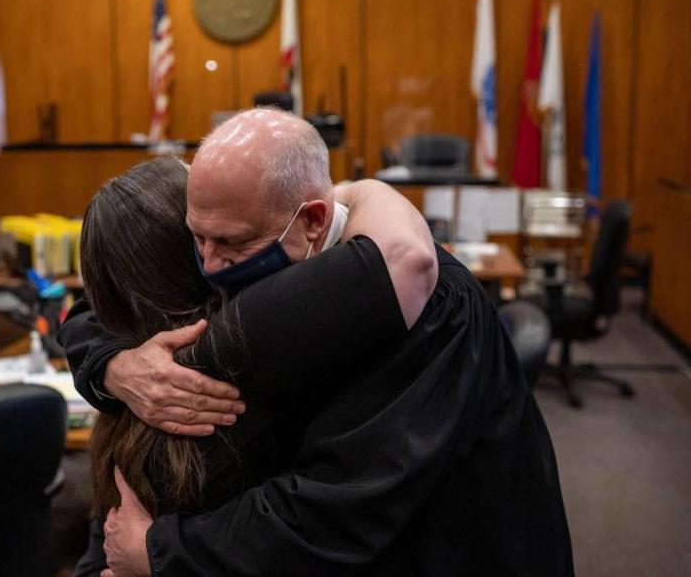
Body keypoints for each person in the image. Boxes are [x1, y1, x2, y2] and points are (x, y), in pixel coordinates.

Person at [60, 108, 572, 576]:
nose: (211, 265)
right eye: (197, 239)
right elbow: (113, 302)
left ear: (313, 221)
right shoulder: (260, 237)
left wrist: (158, 551)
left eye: (232, 243)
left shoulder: (422, 310)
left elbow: (341, 508)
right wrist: (113, 365)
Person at [70, 156, 438, 576]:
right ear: (195, 250)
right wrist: (357, 190)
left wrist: (108, 366)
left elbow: (103, 550)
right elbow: (406, 256)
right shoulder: (269, 347)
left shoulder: (133, 397)